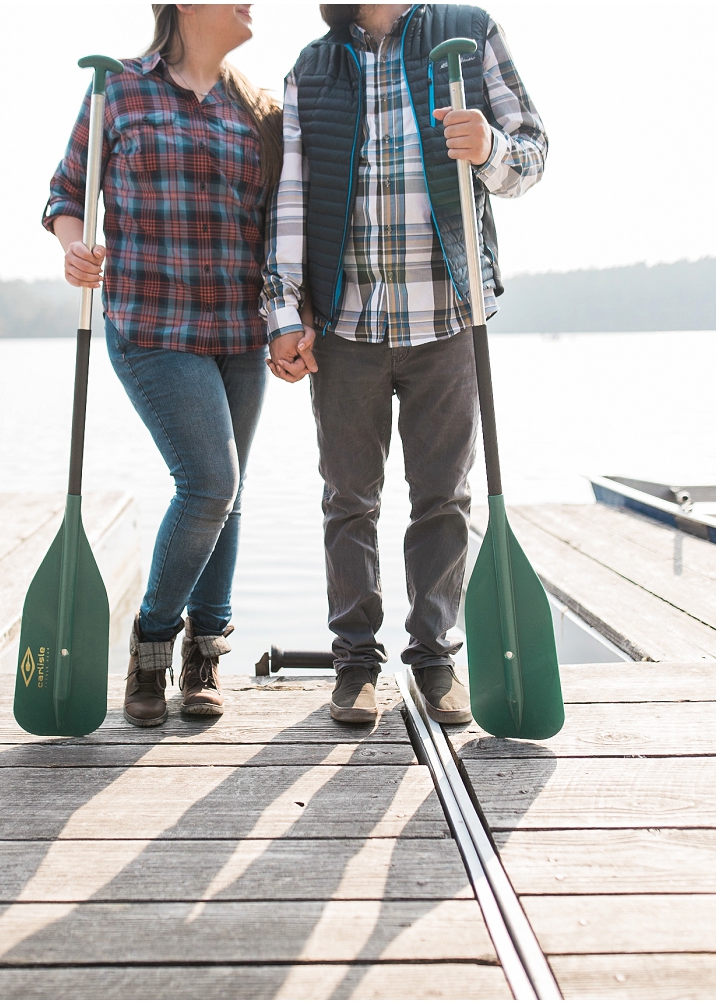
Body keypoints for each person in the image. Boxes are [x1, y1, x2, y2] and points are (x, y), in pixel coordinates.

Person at [261, 4, 548, 725]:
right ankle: (355, 665)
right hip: (347, 323)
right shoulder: (313, 67)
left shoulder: (467, 33)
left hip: (449, 316)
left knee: (444, 497)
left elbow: (532, 153)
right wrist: (283, 313)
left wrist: (488, 149)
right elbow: (290, 197)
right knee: (349, 499)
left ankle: (434, 661)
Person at [44, 4, 281, 727]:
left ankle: (204, 655)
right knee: (210, 481)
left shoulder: (262, 111)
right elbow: (65, 191)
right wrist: (74, 244)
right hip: (150, 323)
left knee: (228, 493)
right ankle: (153, 640)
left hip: (241, 328)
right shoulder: (117, 90)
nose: (252, 4)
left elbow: (279, 225)